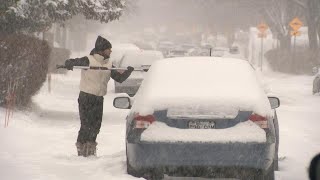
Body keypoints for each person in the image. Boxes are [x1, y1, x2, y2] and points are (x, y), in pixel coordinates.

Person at [64, 36, 134, 157]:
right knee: (86, 125)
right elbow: (74, 62)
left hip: (98, 98)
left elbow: (119, 78)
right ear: (102, 49)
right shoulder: (88, 60)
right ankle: (81, 150)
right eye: (108, 49)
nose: (111, 51)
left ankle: (90, 151)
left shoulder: (110, 64)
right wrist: (69, 63)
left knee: (96, 125)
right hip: (86, 96)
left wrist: (128, 71)